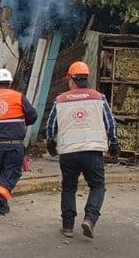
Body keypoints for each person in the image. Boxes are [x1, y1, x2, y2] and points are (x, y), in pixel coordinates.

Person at [46, 61, 119, 239]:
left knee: (69, 187)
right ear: (86, 78)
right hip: (93, 152)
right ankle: (90, 219)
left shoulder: (60, 100)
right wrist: (114, 143)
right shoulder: (99, 98)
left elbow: (51, 126)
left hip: (68, 153)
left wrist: (50, 144)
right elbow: (110, 123)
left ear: (70, 78)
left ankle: (68, 226)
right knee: (97, 186)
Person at [0, 68, 37, 225]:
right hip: (13, 145)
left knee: (0, 172)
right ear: (10, 83)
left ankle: (2, 205)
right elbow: (33, 115)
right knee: (10, 175)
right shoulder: (18, 97)